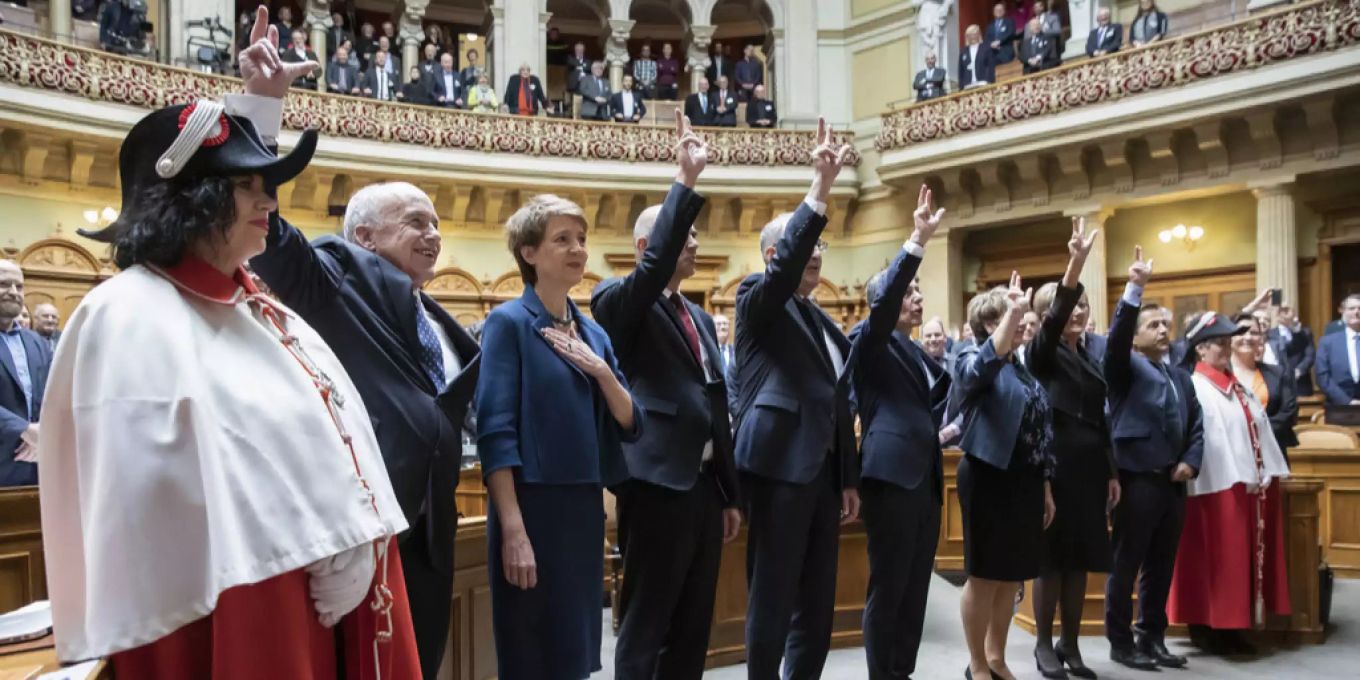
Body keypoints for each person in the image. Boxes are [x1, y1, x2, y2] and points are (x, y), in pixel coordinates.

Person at [40, 12, 419, 676]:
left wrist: (350, 534)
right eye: (246, 187)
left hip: (309, 592)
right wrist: (318, 537)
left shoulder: (253, 303)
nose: (268, 202)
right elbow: (166, 489)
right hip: (237, 606)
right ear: (191, 205)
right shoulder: (127, 316)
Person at [242, 23, 482, 677]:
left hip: (429, 532)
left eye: (437, 224)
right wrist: (261, 111)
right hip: (361, 529)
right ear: (365, 237)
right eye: (416, 223)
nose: (433, 236)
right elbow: (273, 240)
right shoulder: (334, 278)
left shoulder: (438, 318)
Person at [592, 112, 742, 679]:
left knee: (692, 625)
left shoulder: (701, 319)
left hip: (702, 487)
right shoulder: (616, 301)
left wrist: (729, 492)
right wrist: (685, 182)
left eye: (696, 235)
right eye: (683, 233)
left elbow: (716, 406)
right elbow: (652, 272)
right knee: (647, 622)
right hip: (656, 483)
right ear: (644, 245)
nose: (694, 243)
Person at [476, 194, 641, 680]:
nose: (578, 250)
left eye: (582, 239)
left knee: (575, 658)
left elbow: (633, 423)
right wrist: (513, 530)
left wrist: (604, 375)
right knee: (531, 658)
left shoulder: (594, 334)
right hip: (530, 511)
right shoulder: (508, 323)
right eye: (562, 239)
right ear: (529, 253)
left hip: (583, 510)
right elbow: (496, 433)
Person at [732, 119, 857, 680]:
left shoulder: (823, 319)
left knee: (818, 603)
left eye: (820, 246)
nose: (815, 255)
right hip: (779, 467)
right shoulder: (757, 297)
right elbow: (783, 273)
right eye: (803, 246)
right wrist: (820, 190)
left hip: (823, 474)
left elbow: (837, 397)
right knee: (775, 595)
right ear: (772, 255)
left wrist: (847, 477)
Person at [848, 185, 946, 680]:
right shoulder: (870, 339)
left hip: (924, 483)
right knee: (888, 588)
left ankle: (900, 673)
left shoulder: (913, 351)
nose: (918, 297)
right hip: (891, 481)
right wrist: (916, 241)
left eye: (918, 291)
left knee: (914, 590)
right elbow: (885, 305)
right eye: (908, 291)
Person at [1025, 220, 1119, 680]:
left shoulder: (1087, 355)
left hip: (1088, 468)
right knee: (1052, 559)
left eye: (1083, 304)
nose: (1078, 311)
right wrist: (1075, 265)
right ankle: (1043, 643)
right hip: (1054, 467)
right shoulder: (1041, 351)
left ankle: (1071, 644)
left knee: (1082, 557)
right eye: (1070, 306)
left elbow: (1101, 419)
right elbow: (1054, 318)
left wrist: (1112, 472)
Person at [953, 271, 1057, 680]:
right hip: (987, 475)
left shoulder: (1022, 367)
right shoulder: (969, 356)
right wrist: (1014, 310)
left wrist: (1045, 486)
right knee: (983, 575)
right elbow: (977, 372)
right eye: (1010, 316)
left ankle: (996, 657)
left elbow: (1040, 432)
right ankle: (976, 663)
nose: (1021, 323)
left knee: (1010, 576)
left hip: (1025, 480)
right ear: (990, 325)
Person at [1168, 311, 1291, 655]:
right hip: (1209, 489)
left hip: (1241, 486)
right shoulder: (1195, 386)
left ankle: (1231, 628)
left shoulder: (1235, 385)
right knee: (1212, 562)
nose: (1228, 349)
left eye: (1228, 343)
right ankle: (1208, 630)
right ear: (1201, 350)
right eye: (1220, 344)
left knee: (1233, 564)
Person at [1103, 247, 1202, 671]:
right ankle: (1121, 643)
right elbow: (1118, 336)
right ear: (1138, 334)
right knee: (1126, 563)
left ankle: (1152, 638)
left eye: (1166, 324)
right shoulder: (1123, 367)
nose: (1163, 330)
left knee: (1161, 565)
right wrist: (1134, 290)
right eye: (1153, 324)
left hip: (1173, 480)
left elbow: (1197, 425)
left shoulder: (1180, 376)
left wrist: (1191, 460)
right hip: (1137, 477)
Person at [0, 262, 48, 488]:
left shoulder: (36, 342)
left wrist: (43, 434)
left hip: (36, 464)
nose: (13, 292)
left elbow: (53, 392)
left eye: (19, 286)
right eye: (3, 284)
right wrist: (25, 430)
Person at [1232, 314, 1298, 462]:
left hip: (1273, 451)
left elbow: (1288, 412)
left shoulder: (1278, 373)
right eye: (1241, 331)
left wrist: (1257, 432)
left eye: (1254, 333)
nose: (1248, 337)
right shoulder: (1221, 375)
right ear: (1229, 337)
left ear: (1261, 338)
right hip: (1232, 454)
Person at [1315, 292, 1360, 404]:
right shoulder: (1328, 342)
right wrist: (1346, 401)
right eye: (1351, 308)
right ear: (1343, 312)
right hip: (1338, 407)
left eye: (1359, 308)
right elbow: (1322, 376)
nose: (1356, 312)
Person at [1271, 303, 1316, 395]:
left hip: (1301, 385)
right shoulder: (1270, 334)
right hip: (1279, 383)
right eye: (1281, 311)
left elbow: (1310, 355)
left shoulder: (1304, 332)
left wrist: (1299, 370)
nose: (1284, 313)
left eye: (1287, 310)